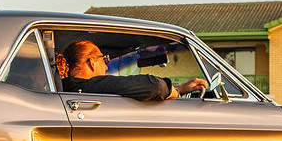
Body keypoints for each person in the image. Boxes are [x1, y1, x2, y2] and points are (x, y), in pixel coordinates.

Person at [60, 40, 207, 101]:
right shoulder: (87, 86)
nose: (106, 66)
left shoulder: (68, 86)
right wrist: (175, 91)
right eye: (104, 60)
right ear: (92, 62)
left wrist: (180, 87)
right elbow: (154, 86)